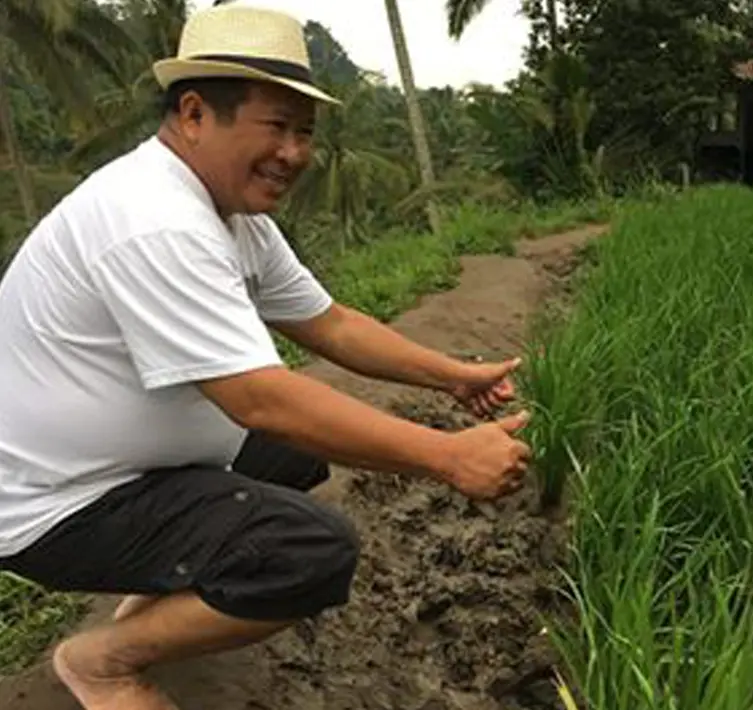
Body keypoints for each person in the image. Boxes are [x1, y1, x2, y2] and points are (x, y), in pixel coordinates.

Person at [0, 5, 533, 709]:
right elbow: (260, 399)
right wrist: (448, 456)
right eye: (275, 127)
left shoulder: (229, 212)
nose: (293, 152)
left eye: (304, 132)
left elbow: (332, 325)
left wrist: (453, 376)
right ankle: (102, 661)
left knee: (294, 459)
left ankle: (157, 600)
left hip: (128, 467)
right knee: (306, 551)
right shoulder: (153, 221)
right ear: (194, 114)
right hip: (58, 503)